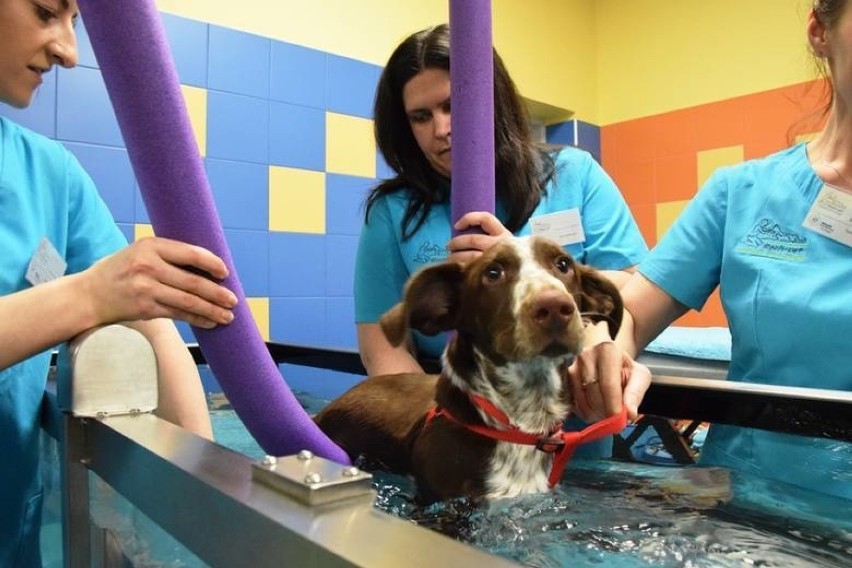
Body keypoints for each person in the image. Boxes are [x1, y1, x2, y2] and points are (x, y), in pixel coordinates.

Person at [584, 0, 852, 500]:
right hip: (751, 508)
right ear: (821, 31)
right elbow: (633, 317)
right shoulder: (742, 193)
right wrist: (606, 349)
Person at [0, 1, 238, 564]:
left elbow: (149, 322)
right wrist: (86, 294)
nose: (68, 51)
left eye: (75, 24)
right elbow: (105, 291)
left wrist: (205, 482)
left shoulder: (52, 175)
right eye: (44, 11)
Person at [354, 24, 648, 395]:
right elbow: (382, 348)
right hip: (457, 430)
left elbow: (635, 290)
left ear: (491, 100)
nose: (442, 128)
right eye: (421, 116)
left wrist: (520, 265)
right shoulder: (392, 212)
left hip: (574, 416)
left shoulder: (575, 174)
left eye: (452, 106)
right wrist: (447, 426)